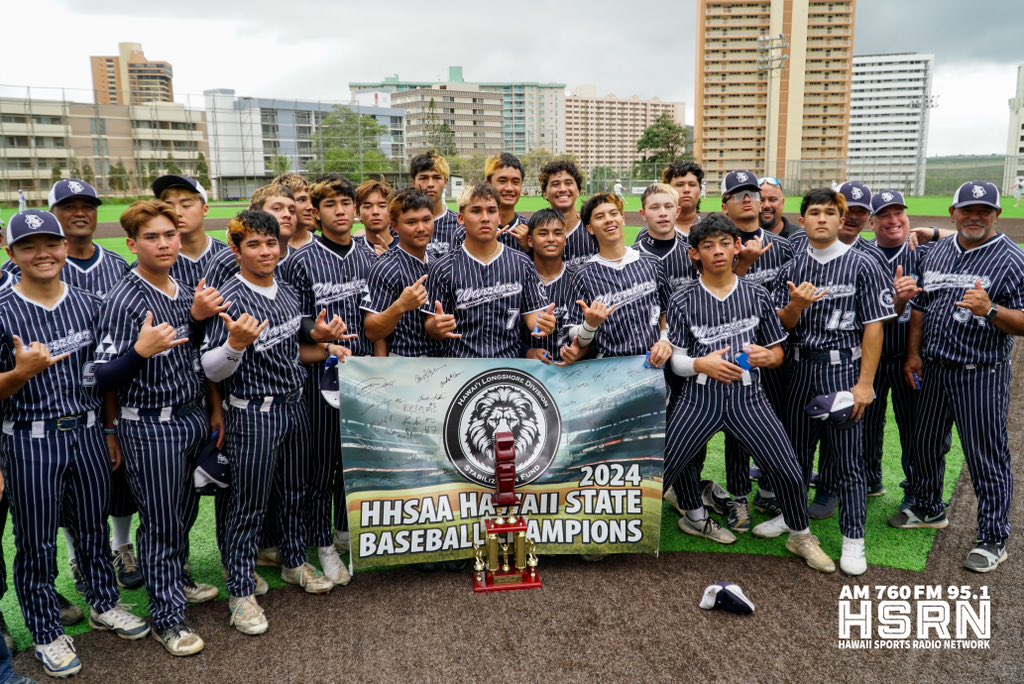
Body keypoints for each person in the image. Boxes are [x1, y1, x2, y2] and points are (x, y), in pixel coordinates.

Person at [0, 210, 150, 677]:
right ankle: (46, 631)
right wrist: (20, 374)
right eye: (29, 246)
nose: (42, 253)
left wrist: (108, 430)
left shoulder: (89, 302)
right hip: (29, 436)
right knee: (38, 542)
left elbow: (105, 379)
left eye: (50, 243)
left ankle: (104, 603)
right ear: (12, 254)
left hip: (86, 430)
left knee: (91, 528)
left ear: (65, 247)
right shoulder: (3, 309)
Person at [662, 213, 834, 573]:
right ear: (695, 254)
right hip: (699, 396)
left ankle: (800, 534)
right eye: (708, 246)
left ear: (737, 247)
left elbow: (778, 352)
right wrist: (700, 365)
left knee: (787, 467)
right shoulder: (681, 299)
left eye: (725, 243)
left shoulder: (756, 294)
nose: (718, 252)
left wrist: (768, 356)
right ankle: (690, 517)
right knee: (667, 465)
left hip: (748, 397)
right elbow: (676, 361)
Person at [92, 200, 225, 656]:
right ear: (132, 244)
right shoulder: (123, 298)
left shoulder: (186, 287)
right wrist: (138, 354)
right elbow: (101, 377)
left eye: (169, 234)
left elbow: (199, 358)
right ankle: (167, 618)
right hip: (149, 424)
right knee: (164, 523)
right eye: (152, 237)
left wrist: (213, 409)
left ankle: (175, 579)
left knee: (183, 515)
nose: (164, 242)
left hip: (190, 415)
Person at [202, 210, 339, 636]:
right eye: (254, 244)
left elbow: (291, 335)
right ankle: (241, 591)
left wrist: (317, 333)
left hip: (294, 405)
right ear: (236, 249)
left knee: (294, 492)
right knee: (249, 504)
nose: (266, 251)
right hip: (252, 413)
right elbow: (210, 368)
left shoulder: (287, 288)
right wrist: (235, 346)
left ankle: (296, 562)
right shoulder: (228, 296)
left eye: (271, 243)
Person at [890, 181, 1024, 574]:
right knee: (925, 444)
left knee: (986, 456)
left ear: (997, 215)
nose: (975, 217)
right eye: (967, 209)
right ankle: (928, 508)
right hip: (934, 368)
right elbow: (921, 307)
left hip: (980, 373)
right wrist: (914, 354)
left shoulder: (1013, 259)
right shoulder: (936, 253)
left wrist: (991, 311)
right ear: (953, 213)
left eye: (984, 210)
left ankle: (993, 536)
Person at [773, 188, 895, 576]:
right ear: (803, 220)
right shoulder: (791, 265)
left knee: (847, 461)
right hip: (799, 368)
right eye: (814, 212)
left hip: (842, 370)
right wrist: (796, 306)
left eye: (829, 212)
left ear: (842, 220)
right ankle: (795, 522)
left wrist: (866, 384)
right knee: (795, 455)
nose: (821, 218)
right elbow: (783, 323)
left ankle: (853, 538)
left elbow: (874, 328)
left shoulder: (862, 264)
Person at [280, 174, 373, 584]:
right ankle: (322, 545)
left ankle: (342, 529)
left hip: (362, 372)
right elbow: (291, 322)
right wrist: (315, 334)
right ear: (315, 214)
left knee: (351, 462)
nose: (340, 210)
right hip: (318, 376)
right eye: (330, 204)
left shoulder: (369, 257)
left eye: (346, 203)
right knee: (320, 468)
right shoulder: (300, 261)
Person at [717, 171, 795, 530]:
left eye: (752, 193)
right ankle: (738, 497)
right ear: (725, 205)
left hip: (774, 347)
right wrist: (742, 263)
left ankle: (769, 487)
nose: (748, 200)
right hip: (731, 351)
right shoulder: (716, 246)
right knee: (736, 430)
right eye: (738, 194)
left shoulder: (783, 247)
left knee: (777, 421)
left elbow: (785, 308)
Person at [425, 183, 554, 358]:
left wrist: (544, 323)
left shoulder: (521, 262)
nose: (485, 218)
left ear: (499, 217)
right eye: (476, 211)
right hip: (461, 368)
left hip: (508, 365)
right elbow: (431, 325)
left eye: (492, 211)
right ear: (461, 218)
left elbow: (534, 317)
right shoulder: (442, 267)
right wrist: (436, 326)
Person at [564, 192, 672, 365]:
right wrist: (590, 325)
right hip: (608, 370)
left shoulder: (652, 262)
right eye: (600, 216)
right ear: (590, 228)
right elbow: (575, 336)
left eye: (614, 214)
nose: (608, 219)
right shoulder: (582, 275)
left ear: (623, 219)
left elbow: (668, 311)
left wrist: (665, 339)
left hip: (653, 364)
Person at [361, 189, 439, 358]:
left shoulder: (436, 263)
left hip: (442, 363)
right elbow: (372, 331)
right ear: (394, 227)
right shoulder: (385, 267)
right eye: (411, 222)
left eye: (426, 220)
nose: (421, 228)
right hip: (404, 364)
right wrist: (401, 305)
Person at [205, 183, 298, 289]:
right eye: (277, 208)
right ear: (256, 213)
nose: (287, 214)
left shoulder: (299, 259)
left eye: (292, 210)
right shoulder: (227, 260)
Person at [152, 175, 230, 290]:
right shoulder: (153, 262)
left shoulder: (227, 256)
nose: (177, 212)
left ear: (205, 209)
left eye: (186, 205)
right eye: (168, 206)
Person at [525, 209, 576, 364]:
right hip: (526, 372)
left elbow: (590, 330)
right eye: (543, 233)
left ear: (565, 239)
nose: (551, 239)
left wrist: (579, 351)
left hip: (572, 372)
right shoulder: (519, 278)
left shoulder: (579, 279)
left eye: (558, 233)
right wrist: (526, 352)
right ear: (530, 241)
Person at [539, 160, 597, 267]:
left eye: (568, 183)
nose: (562, 189)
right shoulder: (536, 235)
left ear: (578, 190)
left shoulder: (594, 230)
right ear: (545, 193)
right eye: (555, 184)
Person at [411, 151, 460, 261]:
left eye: (437, 178)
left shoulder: (460, 225)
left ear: (446, 182)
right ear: (413, 182)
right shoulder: (399, 226)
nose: (430, 184)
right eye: (423, 178)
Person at [485, 153, 529, 252]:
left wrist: (529, 248)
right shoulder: (471, 231)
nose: (509, 188)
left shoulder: (532, 231)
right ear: (488, 184)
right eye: (502, 181)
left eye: (515, 182)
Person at [272, 174, 316, 250]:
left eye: (311, 200)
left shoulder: (324, 246)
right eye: (302, 200)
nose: (310, 207)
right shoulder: (267, 248)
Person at [354, 179, 395, 256]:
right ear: (358, 212)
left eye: (382, 206)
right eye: (367, 206)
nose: (375, 211)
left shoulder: (407, 247)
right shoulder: (351, 250)